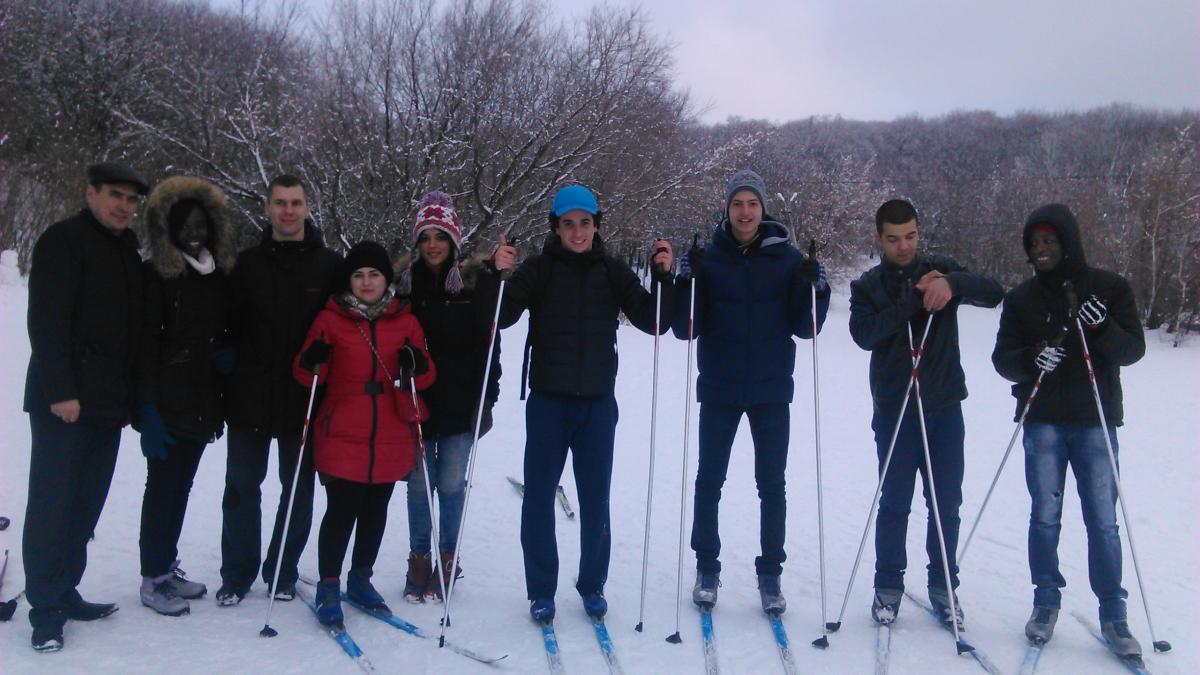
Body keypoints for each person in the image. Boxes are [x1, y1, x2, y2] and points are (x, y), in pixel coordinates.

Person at [498, 184, 673, 622]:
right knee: (538, 497)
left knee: (596, 499)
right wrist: (495, 274)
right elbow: (500, 316)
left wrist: (665, 277)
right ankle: (542, 590)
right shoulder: (538, 270)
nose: (578, 232)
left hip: (596, 405)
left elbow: (654, 321)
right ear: (556, 228)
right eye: (568, 224)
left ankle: (592, 585)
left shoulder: (612, 271)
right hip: (548, 405)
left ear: (597, 225)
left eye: (585, 223)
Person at [674, 170, 831, 614]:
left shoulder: (787, 259)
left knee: (772, 485)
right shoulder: (710, 258)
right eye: (738, 203)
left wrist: (817, 286)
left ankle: (770, 573)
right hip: (721, 386)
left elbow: (806, 327)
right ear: (727, 209)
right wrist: (686, 281)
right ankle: (707, 567)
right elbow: (687, 328)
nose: (745, 211)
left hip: (770, 389)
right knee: (710, 481)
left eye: (752, 204)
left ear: (763, 210)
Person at [992, 203, 1146, 656]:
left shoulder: (1109, 287)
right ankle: (1045, 602)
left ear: (1068, 242)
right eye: (1034, 244)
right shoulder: (1022, 298)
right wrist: (1029, 362)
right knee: (1044, 515)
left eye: (1049, 241)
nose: (1041, 250)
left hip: (1094, 421)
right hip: (1043, 422)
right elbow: (1003, 358)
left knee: (1102, 520)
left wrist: (1100, 326)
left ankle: (1114, 616)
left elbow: (1132, 349)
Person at [849, 198, 1003, 628]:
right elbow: (864, 334)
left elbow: (994, 292)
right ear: (879, 238)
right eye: (894, 239)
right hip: (894, 408)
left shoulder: (939, 267)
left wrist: (951, 283)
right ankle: (888, 588)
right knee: (895, 502)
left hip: (942, 407)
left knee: (945, 503)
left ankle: (943, 587)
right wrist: (913, 303)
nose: (904, 246)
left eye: (911, 236)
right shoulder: (869, 286)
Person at [22, 161, 149, 651]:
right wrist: (60, 391)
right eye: (115, 195)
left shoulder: (124, 250)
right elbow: (46, 321)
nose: (123, 206)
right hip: (65, 402)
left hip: (106, 403)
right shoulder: (64, 240)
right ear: (90, 193)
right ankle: (45, 609)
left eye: (132, 199)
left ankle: (65, 587)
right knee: (54, 503)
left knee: (85, 503)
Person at [293, 241, 437, 626]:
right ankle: (329, 585)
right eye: (358, 275)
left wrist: (416, 363)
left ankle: (360, 578)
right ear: (348, 281)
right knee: (341, 510)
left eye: (374, 274)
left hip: (390, 431)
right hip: (342, 428)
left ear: (385, 278)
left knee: (376, 510)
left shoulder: (404, 320)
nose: (367, 282)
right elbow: (305, 375)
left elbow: (426, 377)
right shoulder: (331, 318)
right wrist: (311, 360)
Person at [218, 174, 342, 605]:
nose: (288, 211)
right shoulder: (246, 264)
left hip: (302, 398)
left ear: (308, 208)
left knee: (298, 491)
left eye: (296, 203)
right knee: (241, 488)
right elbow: (227, 329)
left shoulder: (329, 265)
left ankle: (282, 570)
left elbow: (343, 326)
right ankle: (236, 573)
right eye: (280, 203)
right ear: (267, 208)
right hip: (249, 396)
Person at [395, 191, 505, 603]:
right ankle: (419, 556)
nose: (433, 244)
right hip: (417, 404)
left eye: (440, 235)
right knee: (419, 485)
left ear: (453, 240)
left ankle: (447, 556)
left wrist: (488, 398)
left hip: (460, 403)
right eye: (426, 236)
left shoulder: (471, 286)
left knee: (452, 483)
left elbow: (488, 346)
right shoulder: (405, 286)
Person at [133, 176, 236, 616]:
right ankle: (152, 577)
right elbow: (142, 345)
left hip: (202, 401)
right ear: (170, 229)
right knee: (162, 489)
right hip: (167, 401)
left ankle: (165, 565)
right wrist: (145, 408)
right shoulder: (156, 275)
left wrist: (224, 356)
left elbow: (221, 330)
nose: (194, 231)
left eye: (201, 224)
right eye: (185, 224)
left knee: (182, 487)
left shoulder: (217, 275)